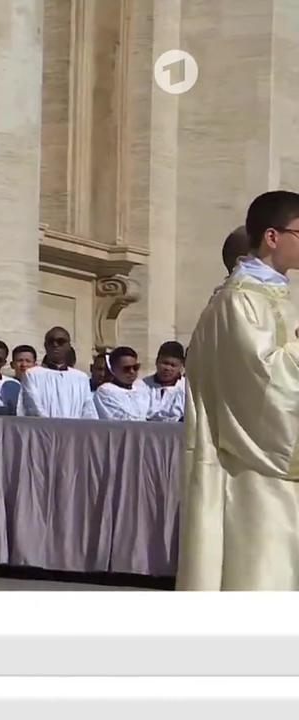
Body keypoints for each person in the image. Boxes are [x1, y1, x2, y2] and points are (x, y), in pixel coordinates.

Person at [180, 189, 299, 590]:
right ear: (272, 236)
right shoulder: (239, 301)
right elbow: (265, 384)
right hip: (254, 472)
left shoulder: (272, 294)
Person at [16, 327, 96, 418]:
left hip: (75, 430)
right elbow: (33, 407)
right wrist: (54, 428)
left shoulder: (81, 378)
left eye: (60, 341)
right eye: (51, 341)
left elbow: (88, 410)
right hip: (44, 430)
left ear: (69, 346)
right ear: (45, 345)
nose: (55, 345)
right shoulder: (32, 374)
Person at [93, 346, 150, 421]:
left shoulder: (142, 387)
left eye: (135, 367)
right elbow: (116, 418)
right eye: (126, 368)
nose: (132, 371)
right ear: (113, 369)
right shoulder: (105, 391)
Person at [144, 340, 186, 422]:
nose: (167, 368)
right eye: (164, 363)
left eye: (173, 365)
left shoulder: (186, 389)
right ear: (156, 362)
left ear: (181, 366)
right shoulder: (142, 386)